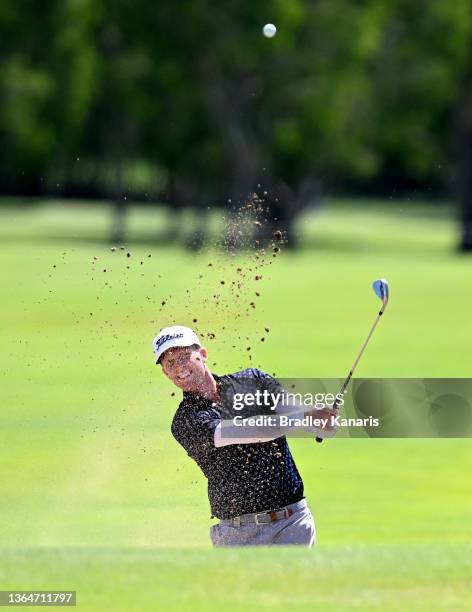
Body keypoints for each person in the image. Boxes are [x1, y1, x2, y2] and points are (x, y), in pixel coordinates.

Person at [153, 325, 337, 547]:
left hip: (293, 522)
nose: (179, 367)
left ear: (202, 354)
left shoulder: (253, 381)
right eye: (169, 363)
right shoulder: (186, 421)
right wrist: (303, 416)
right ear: (165, 372)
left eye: (184, 356)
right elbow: (250, 431)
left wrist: (321, 422)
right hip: (239, 533)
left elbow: (296, 414)